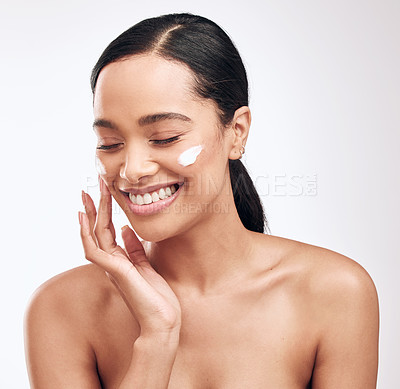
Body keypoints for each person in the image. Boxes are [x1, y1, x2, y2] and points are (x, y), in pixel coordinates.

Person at [24, 13, 379, 388]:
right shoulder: (61, 310)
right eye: (110, 144)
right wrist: (157, 339)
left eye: (164, 137)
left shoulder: (334, 293)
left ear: (236, 132)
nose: (131, 170)